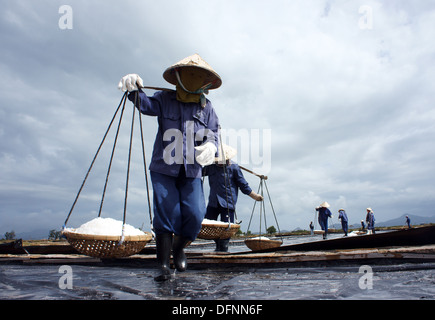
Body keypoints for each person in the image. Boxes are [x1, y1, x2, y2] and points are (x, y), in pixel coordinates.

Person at [118, 54, 221, 281]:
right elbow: (146, 106)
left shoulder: (207, 108)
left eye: (200, 76)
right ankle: (163, 264)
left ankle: (179, 248)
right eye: (190, 74)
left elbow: (214, 132)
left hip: (192, 170)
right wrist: (134, 89)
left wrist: (211, 146)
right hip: (164, 167)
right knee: (167, 212)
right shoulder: (165, 99)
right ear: (178, 76)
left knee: (195, 214)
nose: (195, 79)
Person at [204, 144, 263, 252]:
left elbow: (243, 185)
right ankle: (218, 247)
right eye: (217, 160)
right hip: (213, 201)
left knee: (227, 228)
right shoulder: (211, 167)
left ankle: (223, 249)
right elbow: (198, 172)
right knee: (209, 224)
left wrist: (255, 196)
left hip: (227, 202)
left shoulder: (234, 168)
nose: (219, 163)